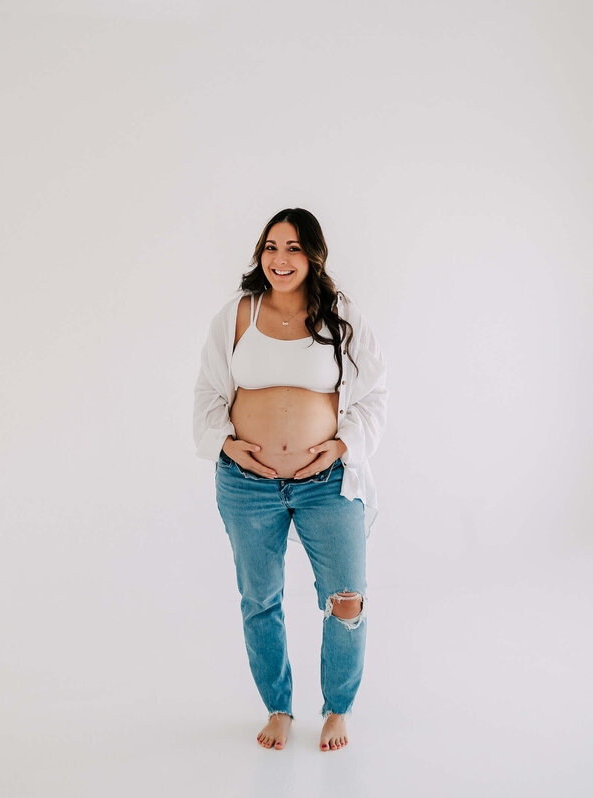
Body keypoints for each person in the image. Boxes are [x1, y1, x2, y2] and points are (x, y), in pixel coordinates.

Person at [193, 208, 388, 752]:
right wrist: (225, 444)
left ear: (314, 256)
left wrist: (343, 444)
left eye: (295, 248)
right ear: (261, 253)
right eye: (272, 247)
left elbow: (374, 394)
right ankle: (278, 707)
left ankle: (337, 709)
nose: (281, 259)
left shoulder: (339, 315)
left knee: (346, 598)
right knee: (260, 599)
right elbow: (209, 393)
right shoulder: (237, 315)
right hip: (246, 484)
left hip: (328, 484)